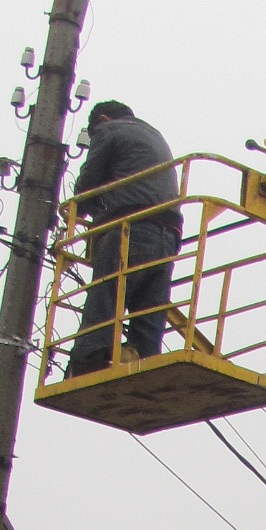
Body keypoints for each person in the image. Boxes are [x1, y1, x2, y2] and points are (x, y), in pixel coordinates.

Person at [64, 101, 183, 376]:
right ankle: (143, 362)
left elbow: (87, 186)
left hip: (131, 227)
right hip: (169, 235)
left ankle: (87, 364)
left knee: (106, 296)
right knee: (149, 309)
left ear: (103, 119)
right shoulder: (153, 134)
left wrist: (77, 211)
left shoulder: (108, 130)